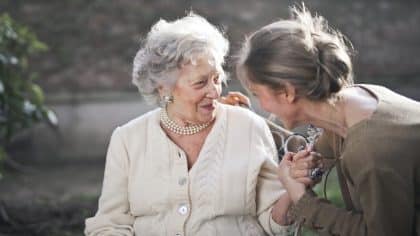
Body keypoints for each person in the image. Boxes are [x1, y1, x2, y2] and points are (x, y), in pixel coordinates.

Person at [84, 13, 317, 236]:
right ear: (163, 87)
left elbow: (274, 222)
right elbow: (110, 224)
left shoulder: (248, 127)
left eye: (216, 79)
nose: (214, 91)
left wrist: (292, 187)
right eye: (200, 83)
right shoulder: (128, 139)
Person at [236, 5, 420, 236]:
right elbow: (323, 149)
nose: (261, 106)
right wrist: (308, 166)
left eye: (257, 94)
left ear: (287, 92)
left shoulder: (371, 151)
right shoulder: (358, 99)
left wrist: (302, 199)